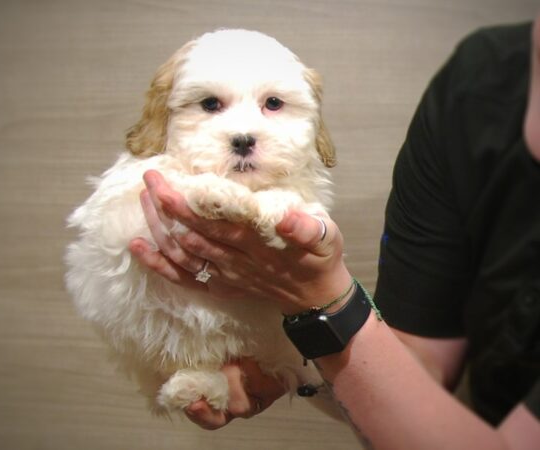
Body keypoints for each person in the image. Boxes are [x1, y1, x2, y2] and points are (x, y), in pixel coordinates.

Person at [128, 17, 540, 449]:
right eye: (212, 105)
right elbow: (414, 369)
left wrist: (317, 295)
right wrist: (289, 368)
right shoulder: (475, 86)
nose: (243, 131)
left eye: (272, 103)